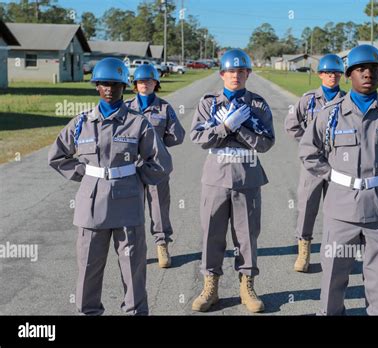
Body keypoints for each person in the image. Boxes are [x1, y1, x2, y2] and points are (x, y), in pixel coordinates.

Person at [299, 45, 378, 315]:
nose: (369, 74)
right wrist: (331, 176)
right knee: (333, 276)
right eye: (361, 69)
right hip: (341, 210)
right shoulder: (330, 114)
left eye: (375, 69)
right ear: (349, 75)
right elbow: (308, 152)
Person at [48, 57, 172, 315]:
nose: (109, 89)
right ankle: (88, 312)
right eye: (104, 83)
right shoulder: (81, 122)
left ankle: (136, 312)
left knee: (133, 267)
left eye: (115, 84)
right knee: (88, 267)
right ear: (96, 86)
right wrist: (86, 174)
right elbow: (57, 156)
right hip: (91, 206)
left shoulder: (138, 123)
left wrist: (136, 177)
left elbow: (161, 162)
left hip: (127, 203)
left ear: (124, 87)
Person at [189, 48, 275, 313]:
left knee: (247, 235)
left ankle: (247, 286)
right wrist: (224, 127)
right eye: (230, 71)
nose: (235, 76)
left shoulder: (258, 105)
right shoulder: (208, 103)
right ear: (222, 74)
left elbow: (266, 142)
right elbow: (198, 137)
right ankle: (210, 287)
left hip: (247, 173)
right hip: (216, 173)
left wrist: (242, 128)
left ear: (247, 73)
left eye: (241, 71)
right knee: (211, 232)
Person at [285, 54, 346, 273]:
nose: (332, 76)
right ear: (320, 74)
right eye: (328, 72)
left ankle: (333, 253)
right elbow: (291, 125)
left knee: (337, 209)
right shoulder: (308, 100)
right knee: (307, 207)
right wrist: (309, 144)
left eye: (336, 73)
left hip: (339, 163)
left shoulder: (348, 100)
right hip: (312, 163)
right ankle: (304, 252)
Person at [125, 64, 185, 268]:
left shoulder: (165, 108)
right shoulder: (126, 107)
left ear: (155, 84)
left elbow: (178, 135)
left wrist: (157, 144)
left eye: (149, 81)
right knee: (132, 208)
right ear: (135, 84)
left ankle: (162, 245)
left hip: (157, 167)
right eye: (141, 81)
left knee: (159, 207)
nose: (145, 85)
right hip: (130, 166)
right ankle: (135, 248)